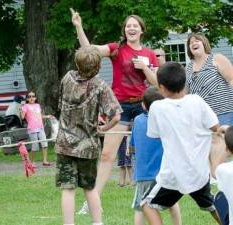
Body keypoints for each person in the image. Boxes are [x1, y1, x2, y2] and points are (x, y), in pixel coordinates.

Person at [70, 9, 159, 215]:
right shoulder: (116, 49)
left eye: (135, 25)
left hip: (144, 106)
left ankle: (150, 196)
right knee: (107, 155)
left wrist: (145, 68)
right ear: (125, 30)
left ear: (142, 30)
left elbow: (156, 83)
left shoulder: (149, 53)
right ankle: (92, 202)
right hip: (120, 106)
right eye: (128, 25)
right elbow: (89, 51)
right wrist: (78, 26)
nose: (131, 28)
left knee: (145, 154)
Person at [142, 62, 221, 225]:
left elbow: (154, 134)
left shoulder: (157, 107)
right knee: (212, 205)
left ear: (161, 88)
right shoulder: (197, 101)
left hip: (172, 176)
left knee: (147, 205)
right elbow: (216, 127)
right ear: (184, 83)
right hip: (199, 172)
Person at [56, 45, 122, 225]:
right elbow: (116, 116)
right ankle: (97, 223)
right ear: (98, 66)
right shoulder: (100, 85)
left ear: (77, 63)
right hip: (88, 145)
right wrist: (104, 128)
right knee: (89, 187)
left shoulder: (67, 78)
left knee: (68, 188)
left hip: (65, 143)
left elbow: (61, 106)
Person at [130, 87, 181, 225]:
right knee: (172, 203)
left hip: (144, 174)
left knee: (140, 207)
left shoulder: (138, 120)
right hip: (165, 173)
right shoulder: (168, 121)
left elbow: (132, 147)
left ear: (143, 104)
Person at [185, 33, 233, 176]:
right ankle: (216, 180)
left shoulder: (216, 59)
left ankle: (222, 179)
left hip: (224, 111)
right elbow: (186, 94)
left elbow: (231, 80)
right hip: (202, 118)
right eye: (190, 42)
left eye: (197, 40)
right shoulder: (187, 68)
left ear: (204, 43)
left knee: (223, 149)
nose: (194, 43)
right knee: (210, 151)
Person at [21, 91, 53, 166]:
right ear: (27, 98)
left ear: (35, 97)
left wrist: (47, 116)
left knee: (45, 144)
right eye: (29, 96)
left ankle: (44, 161)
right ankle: (31, 162)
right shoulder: (25, 106)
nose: (31, 98)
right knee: (35, 146)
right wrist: (21, 110)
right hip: (32, 129)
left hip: (40, 127)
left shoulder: (38, 105)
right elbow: (22, 117)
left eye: (33, 96)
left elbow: (39, 116)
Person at [215, 125, 233, 225]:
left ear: (228, 150)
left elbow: (215, 170)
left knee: (219, 197)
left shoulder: (225, 170)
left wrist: (224, 145)